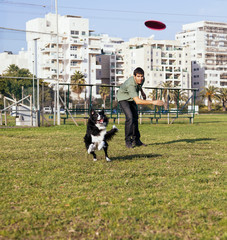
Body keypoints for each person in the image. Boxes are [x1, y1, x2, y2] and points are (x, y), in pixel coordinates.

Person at [117, 67, 164, 148]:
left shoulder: (142, 80)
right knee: (130, 118)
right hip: (123, 98)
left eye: (142, 76)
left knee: (135, 118)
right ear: (134, 76)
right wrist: (153, 102)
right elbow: (138, 101)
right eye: (138, 76)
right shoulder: (130, 85)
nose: (140, 78)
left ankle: (137, 140)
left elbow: (139, 86)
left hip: (131, 98)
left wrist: (142, 92)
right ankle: (128, 141)